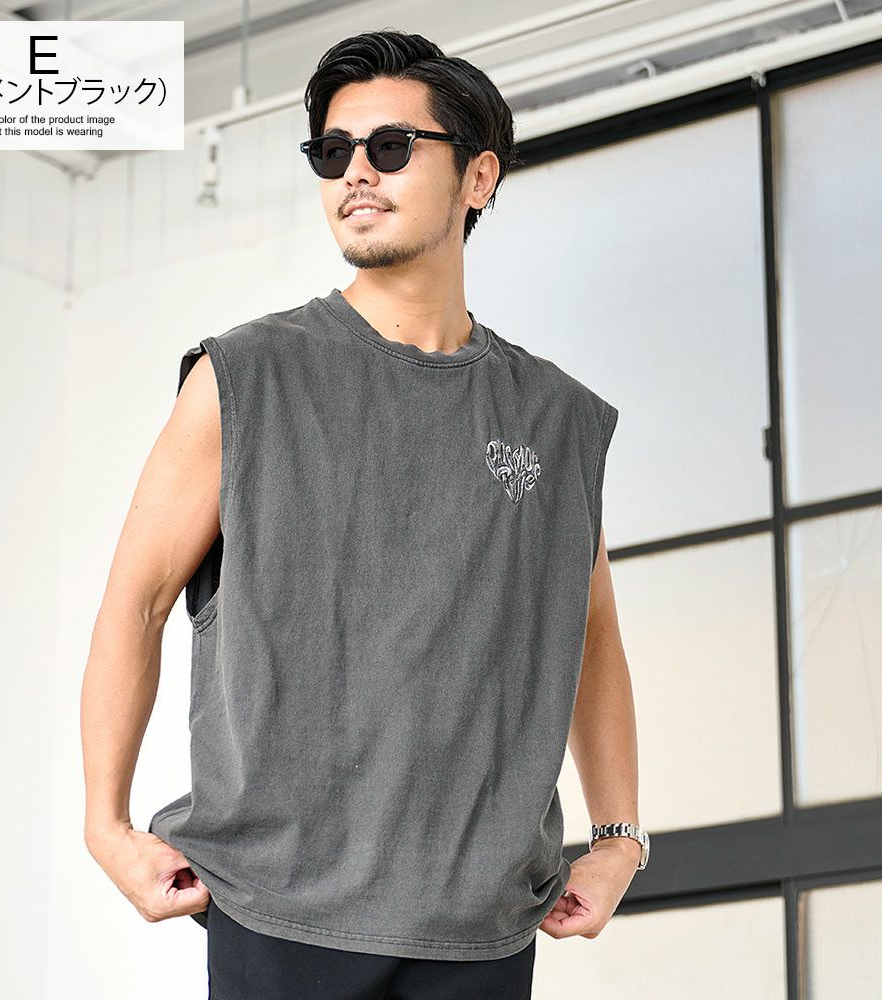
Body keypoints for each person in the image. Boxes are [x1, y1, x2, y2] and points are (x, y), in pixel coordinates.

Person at [81, 28, 646, 1000]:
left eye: (391, 147)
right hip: (279, 905)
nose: (355, 172)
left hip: (481, 925)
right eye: (332, 150)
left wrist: (618, 835)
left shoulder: (557, 419)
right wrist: (106, 823)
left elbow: (588, 631)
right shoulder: (245, 376)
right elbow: (136, 601)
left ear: (477, 177)